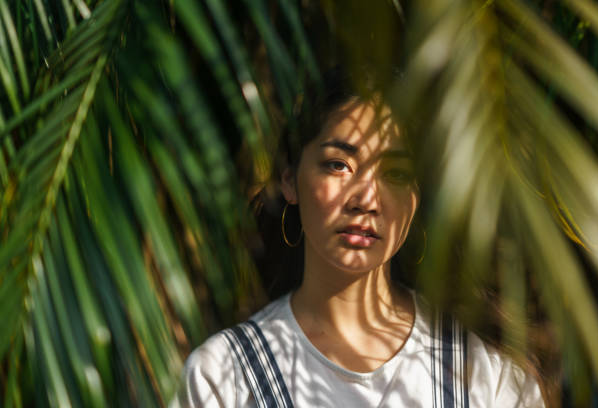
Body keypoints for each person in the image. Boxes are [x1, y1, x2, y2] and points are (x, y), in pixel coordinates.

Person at [173, 67, 546, 407]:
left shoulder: (486, 373)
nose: (366, 199)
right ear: (289, 179)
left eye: (396, 174)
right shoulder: (224, 379)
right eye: (339, 165)